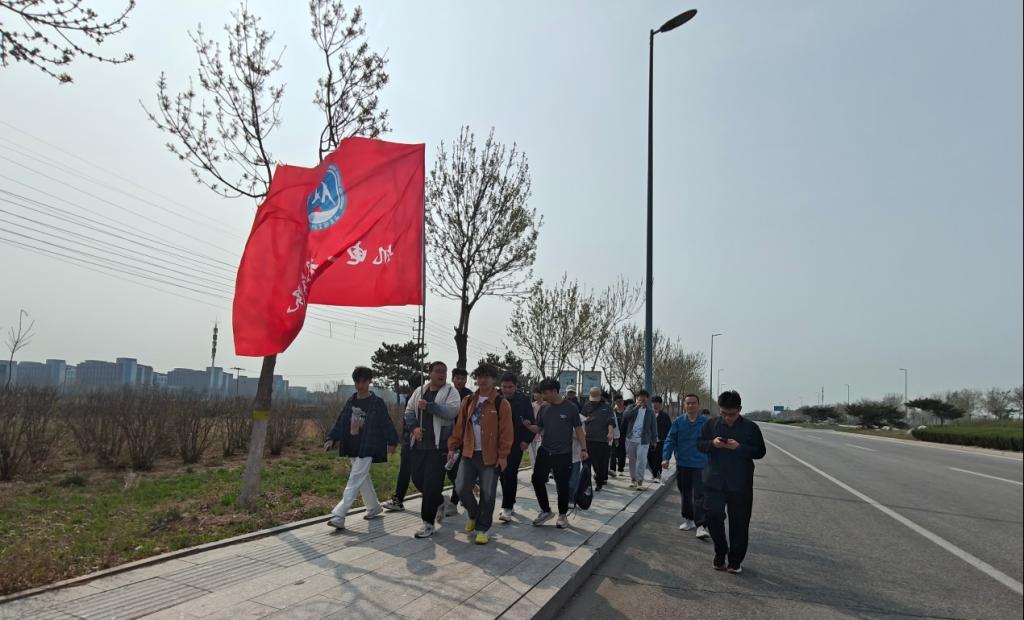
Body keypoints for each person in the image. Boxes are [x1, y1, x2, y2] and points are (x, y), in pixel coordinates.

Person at [698, 390, 766, 574]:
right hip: (714, 481)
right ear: (719, 410)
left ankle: (735, 561)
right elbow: (699, 444)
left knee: (740, 523)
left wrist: (739, 448)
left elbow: (760, 451)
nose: (728, 418)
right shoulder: (710, 424)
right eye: (724, 413)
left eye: (732, 414)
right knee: (712, 516)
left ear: (740, 409)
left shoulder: (751, 427)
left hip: (740, 483)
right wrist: (712, 444)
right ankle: (720, 552)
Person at [325, 366, 399, 531]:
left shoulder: (377, 403)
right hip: (352, 444)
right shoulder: (351, 401)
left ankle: (339, 515)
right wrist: (331, 438)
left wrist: (392, 441)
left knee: (355, 478)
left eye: (363, 381)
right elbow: (341, 421)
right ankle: (374, 507)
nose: (360, 385)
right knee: (362, 478)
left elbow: (386, 423)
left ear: (369, 381)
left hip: (369, 445)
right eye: (357, 382)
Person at [447, 363, 514, 545]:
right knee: (461, 488)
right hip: (468, 453)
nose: (483, 380)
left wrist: (503, 455)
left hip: (490, 456)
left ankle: (483, 528)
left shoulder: (501, 403)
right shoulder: (468, 400)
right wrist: (452, 446)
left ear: (493, 380)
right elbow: (460, 426)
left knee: (487, 493)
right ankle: (474, 514)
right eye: (480, 376)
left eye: (487, 377)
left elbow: (506, 432)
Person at [403, 361, 462, 538]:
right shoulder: (420, 391)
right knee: (417, 480)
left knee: (431, 484)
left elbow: (452, 411)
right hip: (419, 445)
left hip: (439, 446)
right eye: (437, 371)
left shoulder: (451, 392)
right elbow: (409, 411)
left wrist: (430, 406)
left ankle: (428, 523)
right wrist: (414, 428)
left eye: (444, 371)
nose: (441, 374)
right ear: (429, 373)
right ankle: (440, 500)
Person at [525, 378, 588, 528]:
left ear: (554, 391)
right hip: (545, 451)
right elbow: (539, 428)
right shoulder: (544, 408)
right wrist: (527, 426)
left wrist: (584, 449)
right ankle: (546, 511)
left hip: (563, 454)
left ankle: (562, 516)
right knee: (537, 480)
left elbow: (579, 430)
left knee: (562, 486)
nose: (543, 397)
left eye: (545, 393)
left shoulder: (571, 408)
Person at [662, 394, 710, 539]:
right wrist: (666, 457)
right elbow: (670, 440)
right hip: (683, 463)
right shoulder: (678, 422)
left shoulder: (705, 422)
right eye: (688, 403)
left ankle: (701, 525)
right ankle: (689, 519)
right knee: (685, 493)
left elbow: (712, 442)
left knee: (699, 494)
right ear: (684, 405)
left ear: (698, 405)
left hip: (701, 464)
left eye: (693, 403)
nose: (691, 405)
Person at [498, 372, 536, 523]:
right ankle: (510, 500)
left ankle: (507, 506)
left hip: (516, 443)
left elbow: (530, 421)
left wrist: (527, 440)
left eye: (510, 387)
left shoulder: (523, 400)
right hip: (498, 443)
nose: (507, 390)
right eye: (504, 387)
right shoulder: (497, 399)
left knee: (510, 473)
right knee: (502, 474)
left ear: (516, 387)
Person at [444, 367, 474, 515]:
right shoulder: (446, 392)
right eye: (458, 378)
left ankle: (454, 502)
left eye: (463, 379)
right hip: (445, 437)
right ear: (453, 379)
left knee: (457, 472)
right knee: (448, 470)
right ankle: (463, 491)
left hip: (462, 439)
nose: (461, 381)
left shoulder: (470, 396)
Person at [622, 390, 657, 490]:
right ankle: (633, 479)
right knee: (632, 460)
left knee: (641, 460)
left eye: (644, 398)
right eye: (640, 397)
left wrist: (654, 440)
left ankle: (640, 481)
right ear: (637, 398)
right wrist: (637, 407)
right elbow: (626, 416)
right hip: (630, 439)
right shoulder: (631, 407)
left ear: (647, 399)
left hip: (644, 440)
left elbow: (653, 427)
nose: (642, 399)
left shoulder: (650, 412)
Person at [581, 387, 615, 492]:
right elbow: (580, 420)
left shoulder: (607, 407)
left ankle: (599, 482)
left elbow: (610, 422)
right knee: (586, 464)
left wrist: (610, 433)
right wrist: (586, 419)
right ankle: (586, 484)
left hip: (602, 440)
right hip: (588, 440)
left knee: (600, 465)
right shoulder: (586, 406)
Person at [648, 396, 672, 482]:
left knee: (658, 459)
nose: (655, 405)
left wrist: (667, 439)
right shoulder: (648, 415)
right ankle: (654, 472)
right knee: (649, 458)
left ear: (660, 404)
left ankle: (657, 475)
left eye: (657, 403)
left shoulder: (665, 416)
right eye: (653, 403)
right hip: (649, 441)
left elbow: (670, 429)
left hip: (661, 441)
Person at [609, 396, 627, 477]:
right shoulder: (613, 412)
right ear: (615, 402)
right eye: (617, 401)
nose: (619, 403)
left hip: (624, 435)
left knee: (622, 453)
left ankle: (621, 469)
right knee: (613, 453)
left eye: (621, 401)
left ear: (623, 401)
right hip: (614, 434)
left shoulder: (627, 411)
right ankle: (612, 469)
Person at [528, 386, 544, 466]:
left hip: (542, 435)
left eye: (536, 393)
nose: (534, 394)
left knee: (540, 457)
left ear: (541, 394)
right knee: (532, 458)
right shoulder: (532, 405)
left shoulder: (546, 406)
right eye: (534, 393)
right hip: (532, 434)